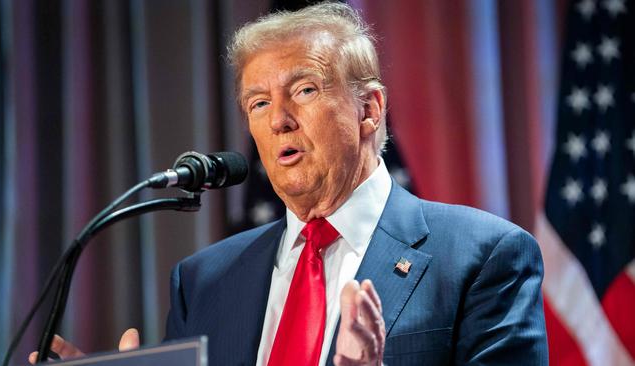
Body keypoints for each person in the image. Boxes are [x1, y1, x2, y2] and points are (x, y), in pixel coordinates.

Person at [31, 3, 548, 365]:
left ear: (369, 109)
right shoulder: (203, 282)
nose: (278, 119)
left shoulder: (482, 257)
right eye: (258, 103)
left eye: (303, 90)